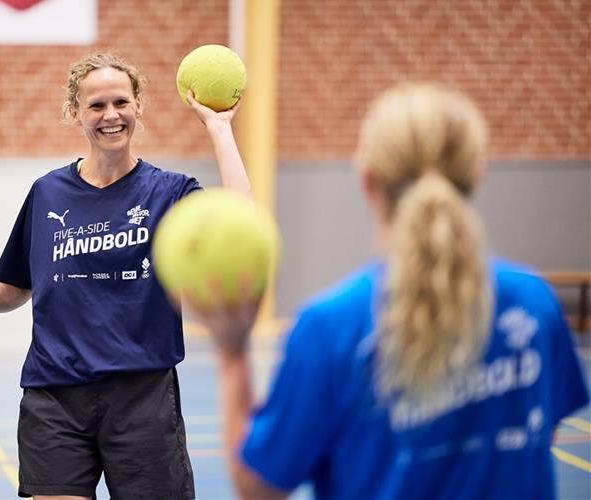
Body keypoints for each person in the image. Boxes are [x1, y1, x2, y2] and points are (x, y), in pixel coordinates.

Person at [194, 83, 590, 499]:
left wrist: (232, 351)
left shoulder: (330, 328)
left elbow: (258, 487)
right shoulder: (534, 303)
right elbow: (540, 438)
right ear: (477, 173)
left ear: (368, 182)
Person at [0, 52, 251, 499]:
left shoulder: (169, 193)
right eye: (97, 106)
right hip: (55, 399)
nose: (111, 116)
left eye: (122, 102)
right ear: (75, 113)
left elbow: (242, 227)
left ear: (139, 106)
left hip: (142, 396)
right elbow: (17, 286)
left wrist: (219, 128)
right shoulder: (47, 192)